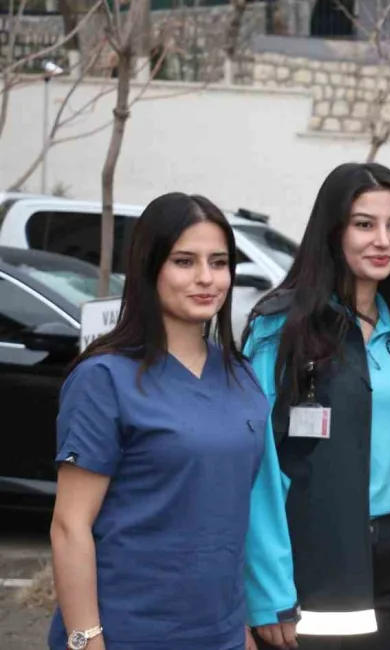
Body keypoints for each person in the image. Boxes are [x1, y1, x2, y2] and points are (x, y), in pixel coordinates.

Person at [48, 193, 267, 650]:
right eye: (184, 261)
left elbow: (227, 518)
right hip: (127, 632)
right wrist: (86, 639)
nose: (206, 278)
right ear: (149, 268)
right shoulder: (104, 378)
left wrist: (241, 628)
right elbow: (70, 526)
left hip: (220, 634)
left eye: (219, 261)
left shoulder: (241, 376)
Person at [243, 162, 390, 650]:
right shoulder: (279, 328)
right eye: (364, 224)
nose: (383, 241)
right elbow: (256, 463)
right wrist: (267, 591)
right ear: (332, 231)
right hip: (310, 562)